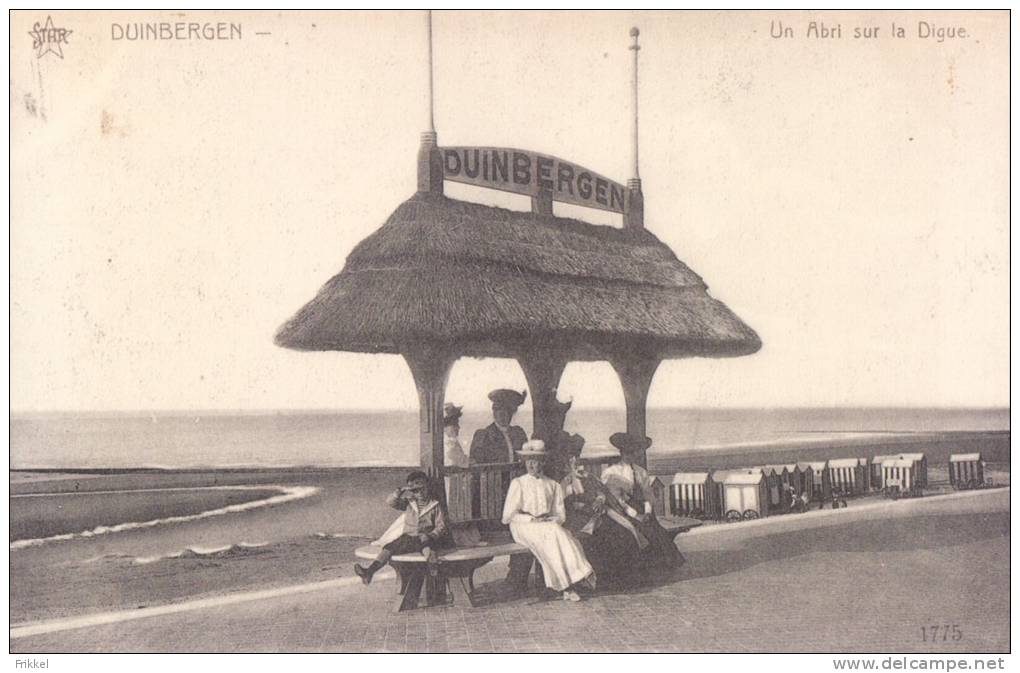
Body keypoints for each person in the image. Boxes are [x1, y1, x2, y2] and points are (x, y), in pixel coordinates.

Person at [501, 439, 595, 602]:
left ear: (542, 462)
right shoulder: (518, 483)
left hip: (546, 525)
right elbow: (508, 516)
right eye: (528, 460)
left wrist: (551, 519)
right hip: (522, 525)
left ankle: (572, 579)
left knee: (562, 534)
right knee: (553, 533)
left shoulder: (553, 485)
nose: (531, 464)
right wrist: (531, 519)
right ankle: (567, 584)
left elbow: (560, 515)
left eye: (535, 460)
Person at [561, 434, 649, 582]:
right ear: (565, 461)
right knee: (594, 539)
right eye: (571, 458)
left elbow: (601, 490)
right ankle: (602, 579)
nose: (574, 461)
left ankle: (624, 578)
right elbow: (561, 502)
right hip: (577, 519)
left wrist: (600, 499)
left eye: (576, 457)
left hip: (597, 514)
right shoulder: (564, 480)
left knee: (621, 532)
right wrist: (580, 504)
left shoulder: (587, 476)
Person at [601, 432, 686, 569]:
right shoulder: (611, 472)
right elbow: (616, 499)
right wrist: (635, 515)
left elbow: (647, 495)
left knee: (658, 533)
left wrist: (647, 512)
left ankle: (660, 567)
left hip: (641, 508)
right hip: (621, 511)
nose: (630, 455)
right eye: (627, 452)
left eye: (633, 452)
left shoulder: (641, 472)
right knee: (636, 534)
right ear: (621, 453)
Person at [354, 471, 451, 584]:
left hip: (426, 537)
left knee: (428, 549)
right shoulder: (409, 503)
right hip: (409, 537)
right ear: (411, 491)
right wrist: (398, 493)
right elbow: (391, 502)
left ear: (428, 487)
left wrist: (432, 535)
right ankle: (369, 572)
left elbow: (441, 524)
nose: (419, 493)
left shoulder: (435, 505)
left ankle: (433, 570)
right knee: (389, 547)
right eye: (415, 490)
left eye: (422, 489)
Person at [470, 389, 528, 464]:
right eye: (499, 412)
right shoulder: (483, 435)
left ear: (511, 414)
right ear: (494, 413)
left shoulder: (519, 433)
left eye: (506, 412)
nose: (503, 417)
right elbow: (476, 466)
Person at [443, 402, 469, 468]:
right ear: (447, 427)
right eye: (455, 424)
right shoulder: (449, 441)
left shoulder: (449, 440)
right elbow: (461, 462)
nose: (458, 427)